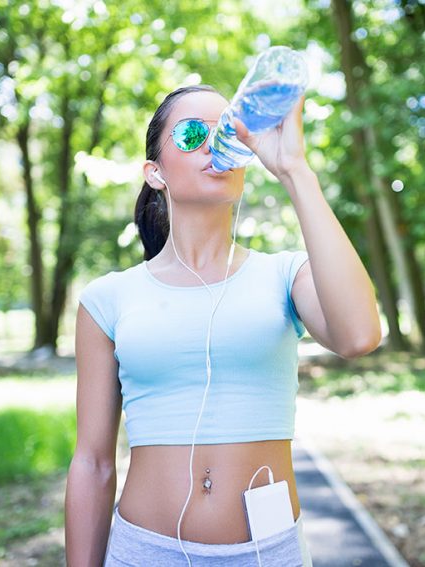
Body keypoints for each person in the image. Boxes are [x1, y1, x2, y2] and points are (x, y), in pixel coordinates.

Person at [65, 84, 381, 566]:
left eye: (229, 132)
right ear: (155, 172)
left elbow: (359, 336)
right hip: (145, 553)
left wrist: (294, 169)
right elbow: (92, 463)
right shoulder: (108, 298)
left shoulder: (286, 275)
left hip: (267, 554)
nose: (216, 145)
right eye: (193, 134)